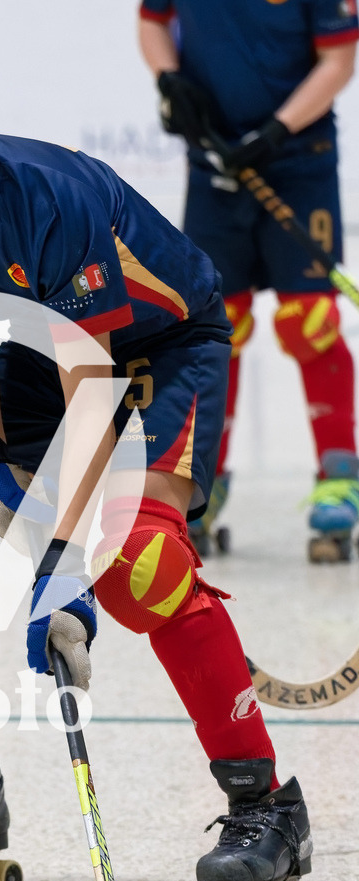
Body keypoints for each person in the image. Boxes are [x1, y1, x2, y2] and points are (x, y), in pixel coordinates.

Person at [0, 23, 315, 881]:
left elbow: (97, 389)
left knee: (139, 564)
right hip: (46, 358)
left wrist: (62, 573)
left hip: (162, 352)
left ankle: (266, 805)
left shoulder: (51, 197)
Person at [139, 1, 359, 562]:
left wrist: (275, 132)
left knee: (311, 323)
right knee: (216, 326)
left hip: (299, 160)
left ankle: (340, 477)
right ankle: (204, 481)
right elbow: (153, 19)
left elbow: (338, 59)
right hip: (212, 159)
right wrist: (168, 79)